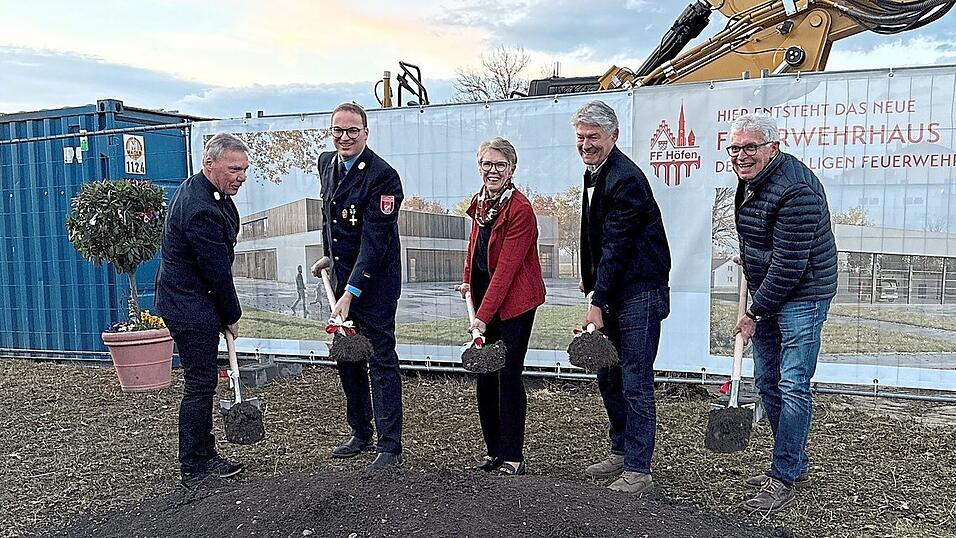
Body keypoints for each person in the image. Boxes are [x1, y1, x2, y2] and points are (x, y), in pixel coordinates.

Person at [729, 113, 837, 513]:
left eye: (750, 147)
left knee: (792, 384)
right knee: (766, 383)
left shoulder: (797, 190)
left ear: (774, 147)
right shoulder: (752, 180)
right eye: (736, 148)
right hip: (771, 289)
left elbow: (791, 264)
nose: (742, 156)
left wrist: (754, 312)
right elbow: (765, 238)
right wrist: (753, 257)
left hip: (803, 295)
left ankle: (784, 476)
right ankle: (790, 461)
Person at [572, 100, 671, 494]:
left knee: (635, 380)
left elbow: (617, 245)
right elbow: (592, 236)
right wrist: (590, 282)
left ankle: (638, 470)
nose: (586, 144)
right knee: (609, 375)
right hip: (614, 291)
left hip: (639, 293)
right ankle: (620, 449)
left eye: (593, 137)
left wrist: (597, 300)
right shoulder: (596, 172)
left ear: (613, 136)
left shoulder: (625, 178)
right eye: (580, 138)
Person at [155, 133, 249, 489]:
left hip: (194, 299)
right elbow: (216, 272)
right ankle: (194, 466)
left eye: (244, 170)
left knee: (204, 382)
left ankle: (205, 455)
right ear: (209, 164)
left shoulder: (209, 193)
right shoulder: (200, 209)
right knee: (200, 384)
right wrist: (231, 315)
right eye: (233, 169)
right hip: (189, 304)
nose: (240, 176)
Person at [317, 103, 405, 470]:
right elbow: (332, 219)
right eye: (338, 130)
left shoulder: (384, 177)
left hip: (376, 284)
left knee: (380, 359)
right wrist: (329, 257)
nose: (344, 137)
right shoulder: (327, 163)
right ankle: (360, 431)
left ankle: (390, 446)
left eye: (352, 130)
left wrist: (352, 293)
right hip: (341, 280)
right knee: (348, 358)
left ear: (366, 133)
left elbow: (374, 242)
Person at [458, 137, 546, 476]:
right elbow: (473, 246)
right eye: (486, 164)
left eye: (500, 165)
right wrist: (468, 279)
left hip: (515, 304)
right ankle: (493, 451)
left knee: (507, 376)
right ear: (479, 166)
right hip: (485, 297)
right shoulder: (481, 202)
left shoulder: (520, 209)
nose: (492, 170)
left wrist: (482, 318)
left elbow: (507, 271)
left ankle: (512, 457)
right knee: (484, 374)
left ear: (511, 168)